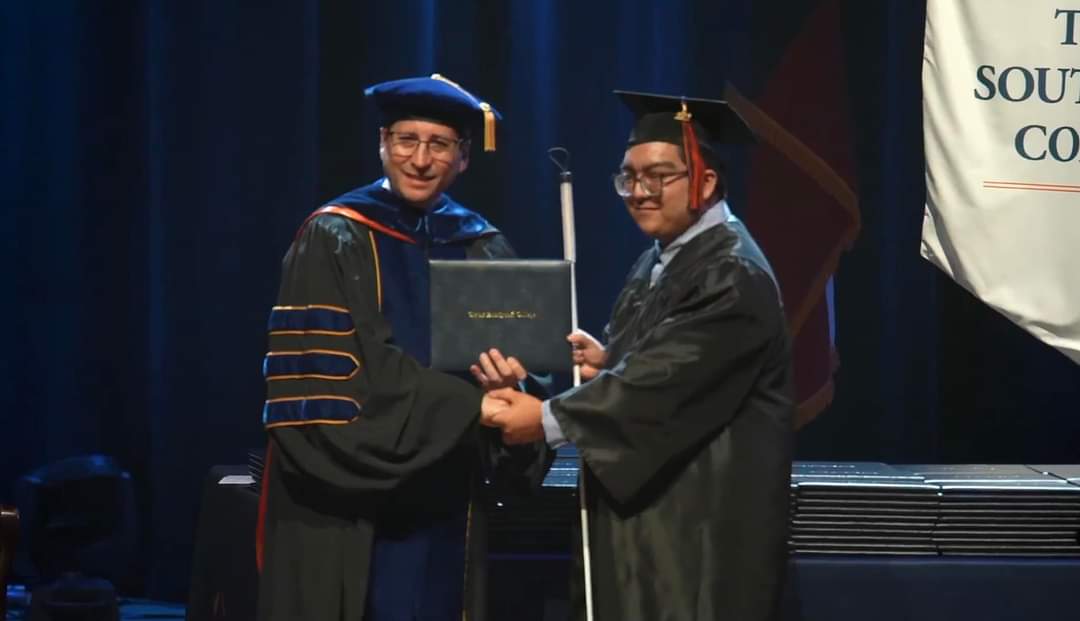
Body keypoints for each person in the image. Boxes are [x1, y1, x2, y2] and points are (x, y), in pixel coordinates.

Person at [480, 90, 795, 620]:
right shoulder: (666, 259)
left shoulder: (731, 272)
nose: (639, 192)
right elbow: (666, 364)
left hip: (699, 531)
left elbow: (666, 383)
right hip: (656, 524)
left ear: (706, 181)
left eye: (658, 176)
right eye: (628, 177)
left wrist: (547, 419)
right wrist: (610, 362)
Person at [256, 74, 549, 621]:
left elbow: (526, 370)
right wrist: (474, 407)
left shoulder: (481, 243)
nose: (419, 159)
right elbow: (344, 376)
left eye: (439, 144)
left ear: (463, 157)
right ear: (382, 144)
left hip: (445, 492)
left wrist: (518, 386)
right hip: (345, 499)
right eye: (405, 140)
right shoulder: (334, 235)